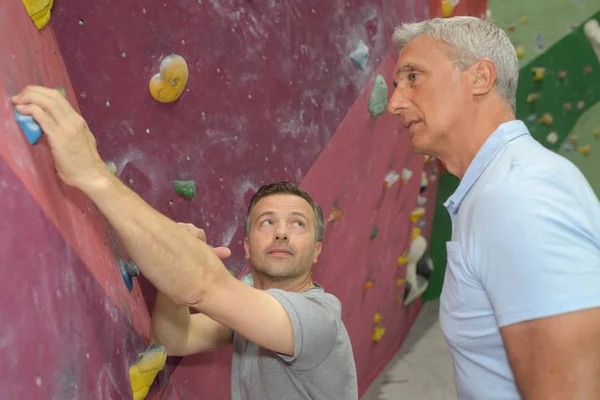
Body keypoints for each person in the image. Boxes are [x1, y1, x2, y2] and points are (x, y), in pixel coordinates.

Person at [11, 87, 358, 400]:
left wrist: (92, 174)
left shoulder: (317, 319)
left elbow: (203, 286)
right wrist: (178, 277)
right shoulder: (253, 300)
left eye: (297, 224)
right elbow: (174, 339)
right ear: (248, 247)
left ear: (316, 251)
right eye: (267, 222)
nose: (281, 232)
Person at [387, 16, 600, 399]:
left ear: (480, 78)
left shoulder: (517, 194)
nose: (394, 102)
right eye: (396, 84)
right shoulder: (499, 187)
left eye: (413, 77)